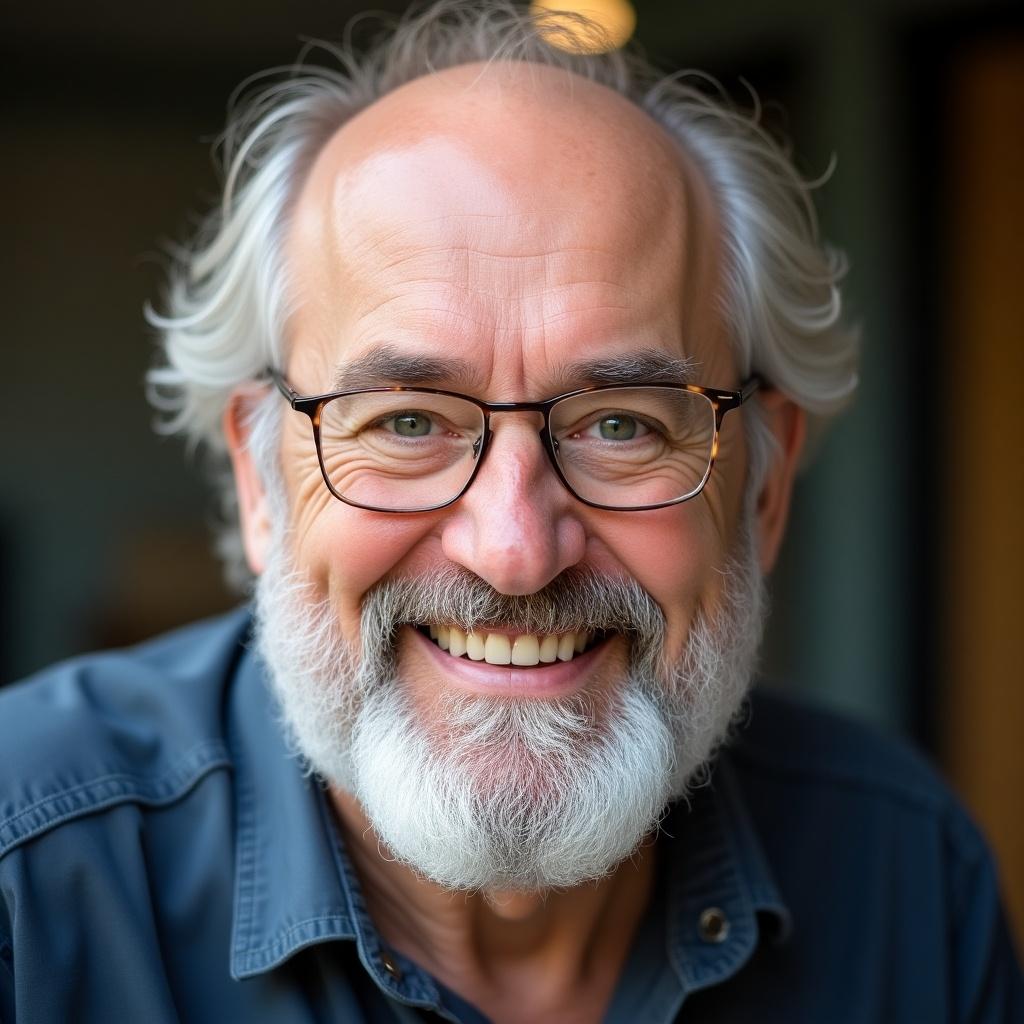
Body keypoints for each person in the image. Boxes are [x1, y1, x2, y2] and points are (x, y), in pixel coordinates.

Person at [1, 2, 1020, 1021]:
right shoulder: (25, 886)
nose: (515, 550)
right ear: (261, 481)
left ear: (762, 487)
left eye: (620, 425)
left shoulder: (906, 874)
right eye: (405, 421)